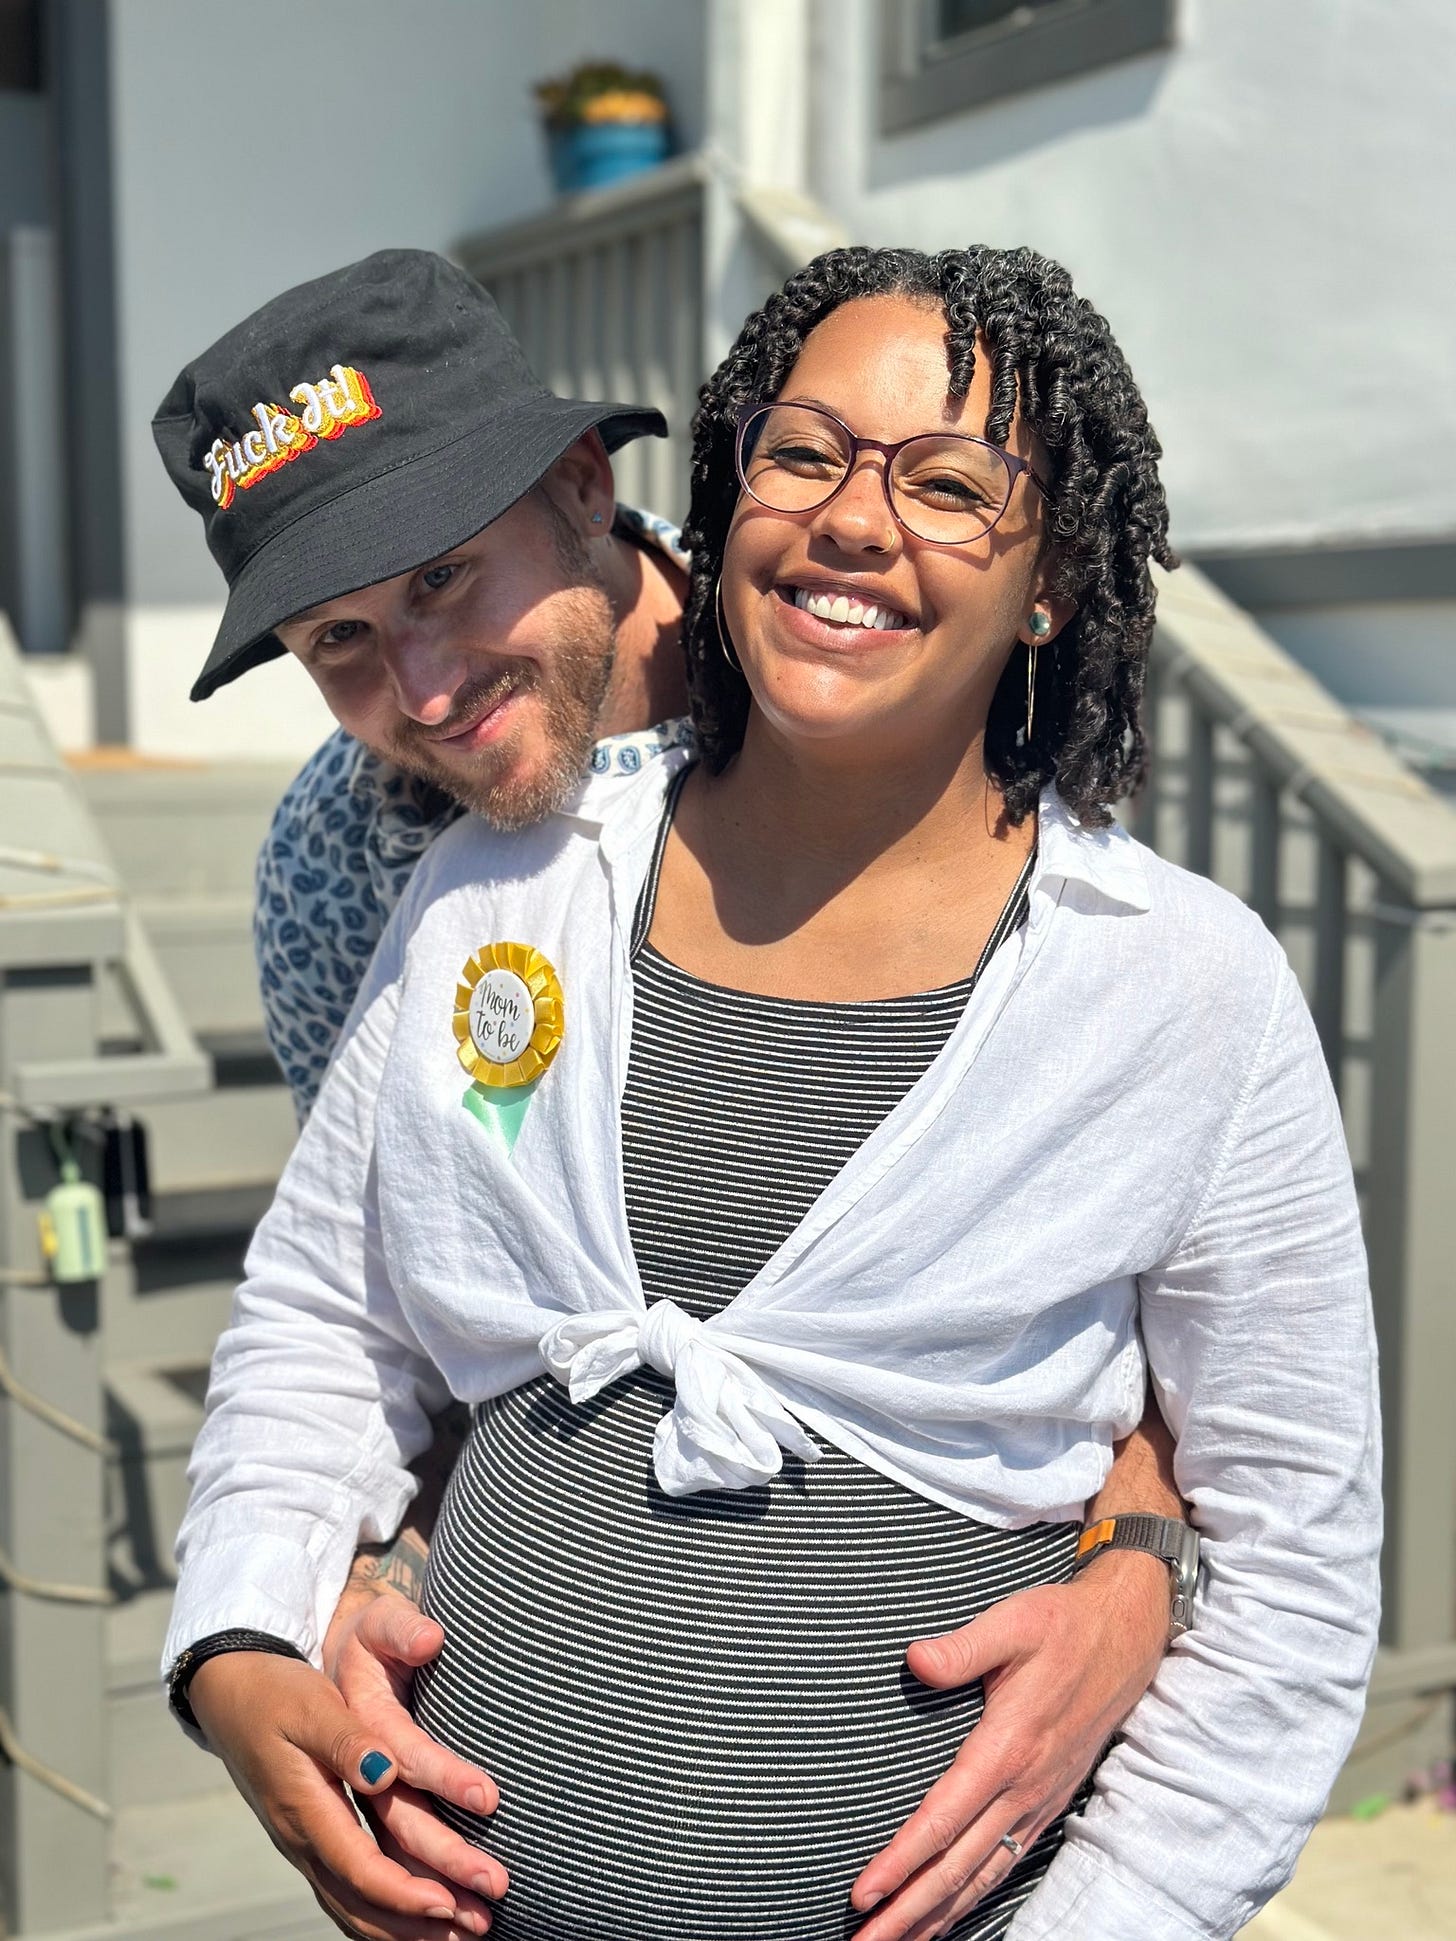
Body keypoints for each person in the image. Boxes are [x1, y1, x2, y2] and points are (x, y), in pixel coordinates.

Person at [149, 248, 1293, 1941]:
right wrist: (275, 1620)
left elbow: (1107, 1250)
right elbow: (376, 1309)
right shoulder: (352, 861)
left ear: (586, 497)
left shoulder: (903, 692)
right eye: (341, 644)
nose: (426, 690)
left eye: (449, 580)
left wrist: (1141, 1543)